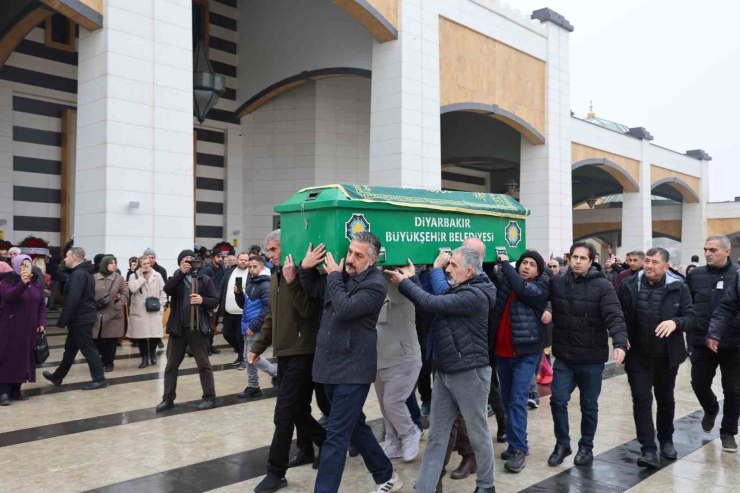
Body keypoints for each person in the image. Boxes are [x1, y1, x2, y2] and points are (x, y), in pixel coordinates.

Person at [388, 246, 496, 493]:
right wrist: (414, 277)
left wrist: (405, 282)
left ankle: (486, 486)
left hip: (470, 373)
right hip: (446, 371)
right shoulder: (461, 288)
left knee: (478, 434)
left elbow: (432, 302)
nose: (448, 268)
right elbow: (433, 301)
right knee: (437, 436)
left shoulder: (476, 294)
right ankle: (425, 488)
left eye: (453, 265)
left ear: (469, 271)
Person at [300, 234, 402, 493]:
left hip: (353, 369)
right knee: (354, 425)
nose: (352, 259)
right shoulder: (342, 277)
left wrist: (333, 275)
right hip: (330, 366)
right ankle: (386, 474)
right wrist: (305, 268)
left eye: (359, 255)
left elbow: (345, 309)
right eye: (351, 252)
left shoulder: (375, 284)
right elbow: (314, 291)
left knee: (336, 437)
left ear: (372, 259)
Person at [247, 230, 326, 493]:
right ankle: (312, 446)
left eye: (273, 250)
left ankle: (275, 471)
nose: (269, 255)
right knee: (298, 409)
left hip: (304, 351)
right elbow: (272, 315)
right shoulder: (275, 276)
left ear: (287, 247)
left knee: (283, 413)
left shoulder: (303, 274)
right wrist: (258, 346)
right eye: (268, 250)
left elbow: (307, 310)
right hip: (285, 352)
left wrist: (293, 280)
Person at [547, 241, 628, 467]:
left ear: (591, 261)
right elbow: (538, 297)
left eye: (583, 258)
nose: (577, 262)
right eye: (574, 257)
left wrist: (620, 342)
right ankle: (562, 443)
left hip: (591, 359)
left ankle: (586, 446)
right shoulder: (558, 282)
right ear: (568, 258)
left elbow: (614, 316)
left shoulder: (603, 286)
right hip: (564, 356)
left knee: (588, 405)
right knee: (558, 400)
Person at [617, 247, 695, 467]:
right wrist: (622, 337)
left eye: (655, 263)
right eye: (647, 261)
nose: (649, 266)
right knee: (641, 400)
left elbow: (691, 317)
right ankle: (648, 448)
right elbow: (617, 314)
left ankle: (666, 439)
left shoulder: (679, 287)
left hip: (666, 356)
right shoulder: (628, 285)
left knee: (665, 399)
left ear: (666, 266)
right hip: (638, 356)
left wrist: (675, 322)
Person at [489, 251, 548, 473]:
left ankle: (518, 448)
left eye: (532, 265)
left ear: (538, 271)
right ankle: (517, 442)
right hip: (503, 354)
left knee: (517, 401)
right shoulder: (508, 282)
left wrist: (506, 264)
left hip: (525, 355)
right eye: (524, 262)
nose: (526, 267)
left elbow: (521, 288)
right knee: (506, 399)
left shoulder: (538, 288)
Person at [688, 234, 740, 453]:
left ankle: (728, 432)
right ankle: (710, 408)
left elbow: (730, 307)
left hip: (734, 343)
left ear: (727, 251)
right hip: (701, 340)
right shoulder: (695, 275)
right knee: (699, 383)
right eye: (706, 249)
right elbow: (686, 304)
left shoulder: (736, 276)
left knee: (733, 390)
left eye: (713, 250)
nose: (707, 254)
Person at [157, 250, 219, 412]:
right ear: (180, 263)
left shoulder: (204, 280)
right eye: (185, 260)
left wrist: (202, 300)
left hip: (197, 328)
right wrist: (180, 274)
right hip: (178, 329)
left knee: (203, 364)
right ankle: (167, 398)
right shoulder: (176, 279)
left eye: (192, 260)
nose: (189, 263)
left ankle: (209, 397)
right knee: (171, 366)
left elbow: (214, 300)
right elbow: (167, 289)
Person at [375, 266, 423, 463]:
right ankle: (393, 441)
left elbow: (398, 294)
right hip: (380, 358)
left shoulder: (402, 286)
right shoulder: (373, 286)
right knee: (385, 406)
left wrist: (389, 273)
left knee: (393, 402)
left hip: (403, 357)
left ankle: (410, 432)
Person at [42, 247, 108, 390]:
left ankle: (99, 378)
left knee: (88, 349)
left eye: (66, 256)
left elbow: (73, 298)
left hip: (81, 318)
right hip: (81, 317)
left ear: (73, 258)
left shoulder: (78, 274)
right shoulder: (83, 273)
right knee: (70, 350)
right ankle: (58, 376)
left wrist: (63, 319)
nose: (64, 259)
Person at [0, 255, 46, 405]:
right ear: (17, 266)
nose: (26, 268)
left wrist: (41, 322)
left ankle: (16, 390)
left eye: (29, 264)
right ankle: (3, 392)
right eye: (23, 265)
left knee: (24, 359)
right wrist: (22, 283)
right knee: (8, 359)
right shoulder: (7, 281)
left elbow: (41, 305)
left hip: (30, 329)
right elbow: (8, 297)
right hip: (11, 327)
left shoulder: (37, 283)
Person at [237, 255, 277, 396]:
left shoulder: (265, 284)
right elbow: (244, 305)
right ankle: (253, 385)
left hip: (256, 327)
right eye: (250, 267)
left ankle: (276, 373)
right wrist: (239, 294)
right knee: (247, 356)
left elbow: (267, 308)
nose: (252, 270)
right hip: (248, 325)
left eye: (255, 267)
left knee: (252, 356)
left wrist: (254, 326)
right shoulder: (252, 283)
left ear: (262, 267)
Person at [128, 255, 167, 369]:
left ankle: (153, 353)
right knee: (142, 336)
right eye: (144, 264)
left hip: (154, 309)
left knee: (154, 334)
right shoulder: (133, 276)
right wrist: (141, 278)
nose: (147, 266)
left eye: (148, 263)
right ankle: (144, 357)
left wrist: (162, 304)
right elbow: (133, 289)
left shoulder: (157, 275)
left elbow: (163, 290)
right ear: (140, 265)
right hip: (140, 310)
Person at [92, 256, 128, 372]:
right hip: (97, 313)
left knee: (112, 340)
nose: (114, 265)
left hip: (113, 313)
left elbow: (125, 294)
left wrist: (118, 304)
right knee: (97, 338)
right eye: (111, 263)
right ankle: (104, 358)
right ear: (104, 264)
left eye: (115, 263)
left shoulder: (119, 279)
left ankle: (109, 363)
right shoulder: (94, 278)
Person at [219, 252, 250, 368]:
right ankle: (241, 353)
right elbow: (221, 287)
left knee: (240, 337)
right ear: (237, 260)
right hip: (228, 311)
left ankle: (243, 360)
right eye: (241, 259)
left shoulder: (250, 273)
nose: (243, 262)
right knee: (227, 334)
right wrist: (217, 302)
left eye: (245, 260)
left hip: (243, 312)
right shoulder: (229, 272)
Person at [203, 250, 227, 355]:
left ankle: (210, 345)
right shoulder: (208, 269)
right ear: (213, 257)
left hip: (218, 300)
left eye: (222, 257)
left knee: (214, 325)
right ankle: (205, 347)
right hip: (210, 300)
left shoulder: (222, 269)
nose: (220, 259)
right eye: (218, 256)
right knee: (208, 326)